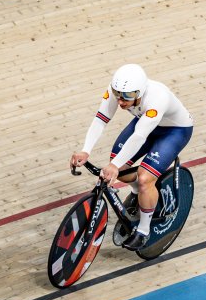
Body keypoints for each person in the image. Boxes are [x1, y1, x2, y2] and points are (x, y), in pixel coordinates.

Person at [70, 64, 194, 250]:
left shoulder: (157, 98)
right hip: (144, 124)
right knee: (117, 170)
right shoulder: (120, 92)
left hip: (174, 131)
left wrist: (114, 164)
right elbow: (100, 119)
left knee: (144, 178)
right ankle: (137, 193)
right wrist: (85, 150)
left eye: (127, 97)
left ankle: (143, 231)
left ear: (140, 92)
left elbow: (139, 136)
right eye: (118, 95)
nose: (121, 101)